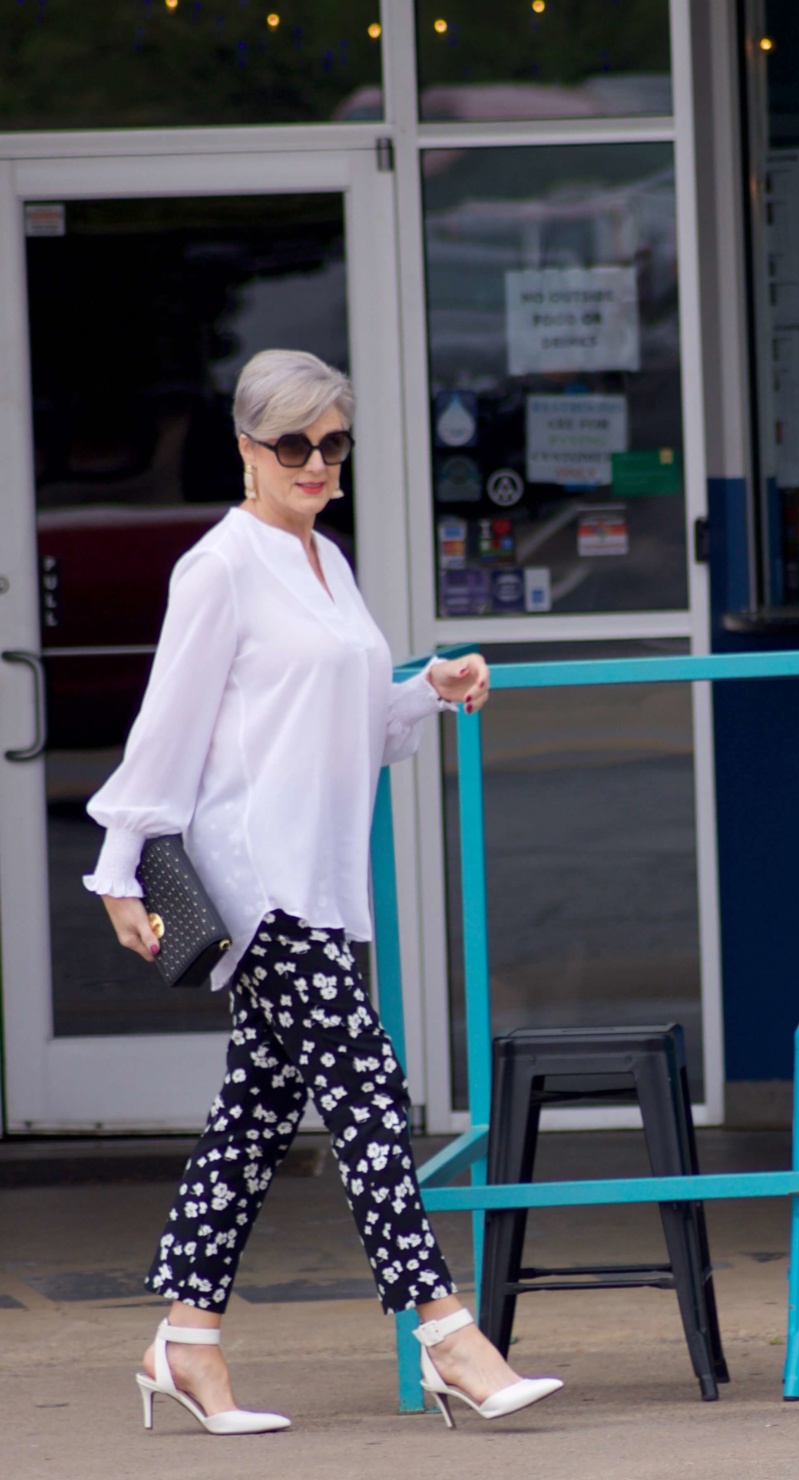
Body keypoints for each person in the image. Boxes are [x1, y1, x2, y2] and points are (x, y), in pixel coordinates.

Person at [85, 348, 562, 1435]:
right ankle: (447, 1332)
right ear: (247, 449)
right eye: (293, 443)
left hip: (323, 876)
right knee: (368, 1095)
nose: (315, 462)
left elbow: (346, 721)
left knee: (255, 1115)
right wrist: (119, 865)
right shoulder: (220, 566)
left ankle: (185, 1339)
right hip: (261, 882)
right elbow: (166, 728)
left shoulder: (327, 562)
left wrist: (427, 691)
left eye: (332, 443)